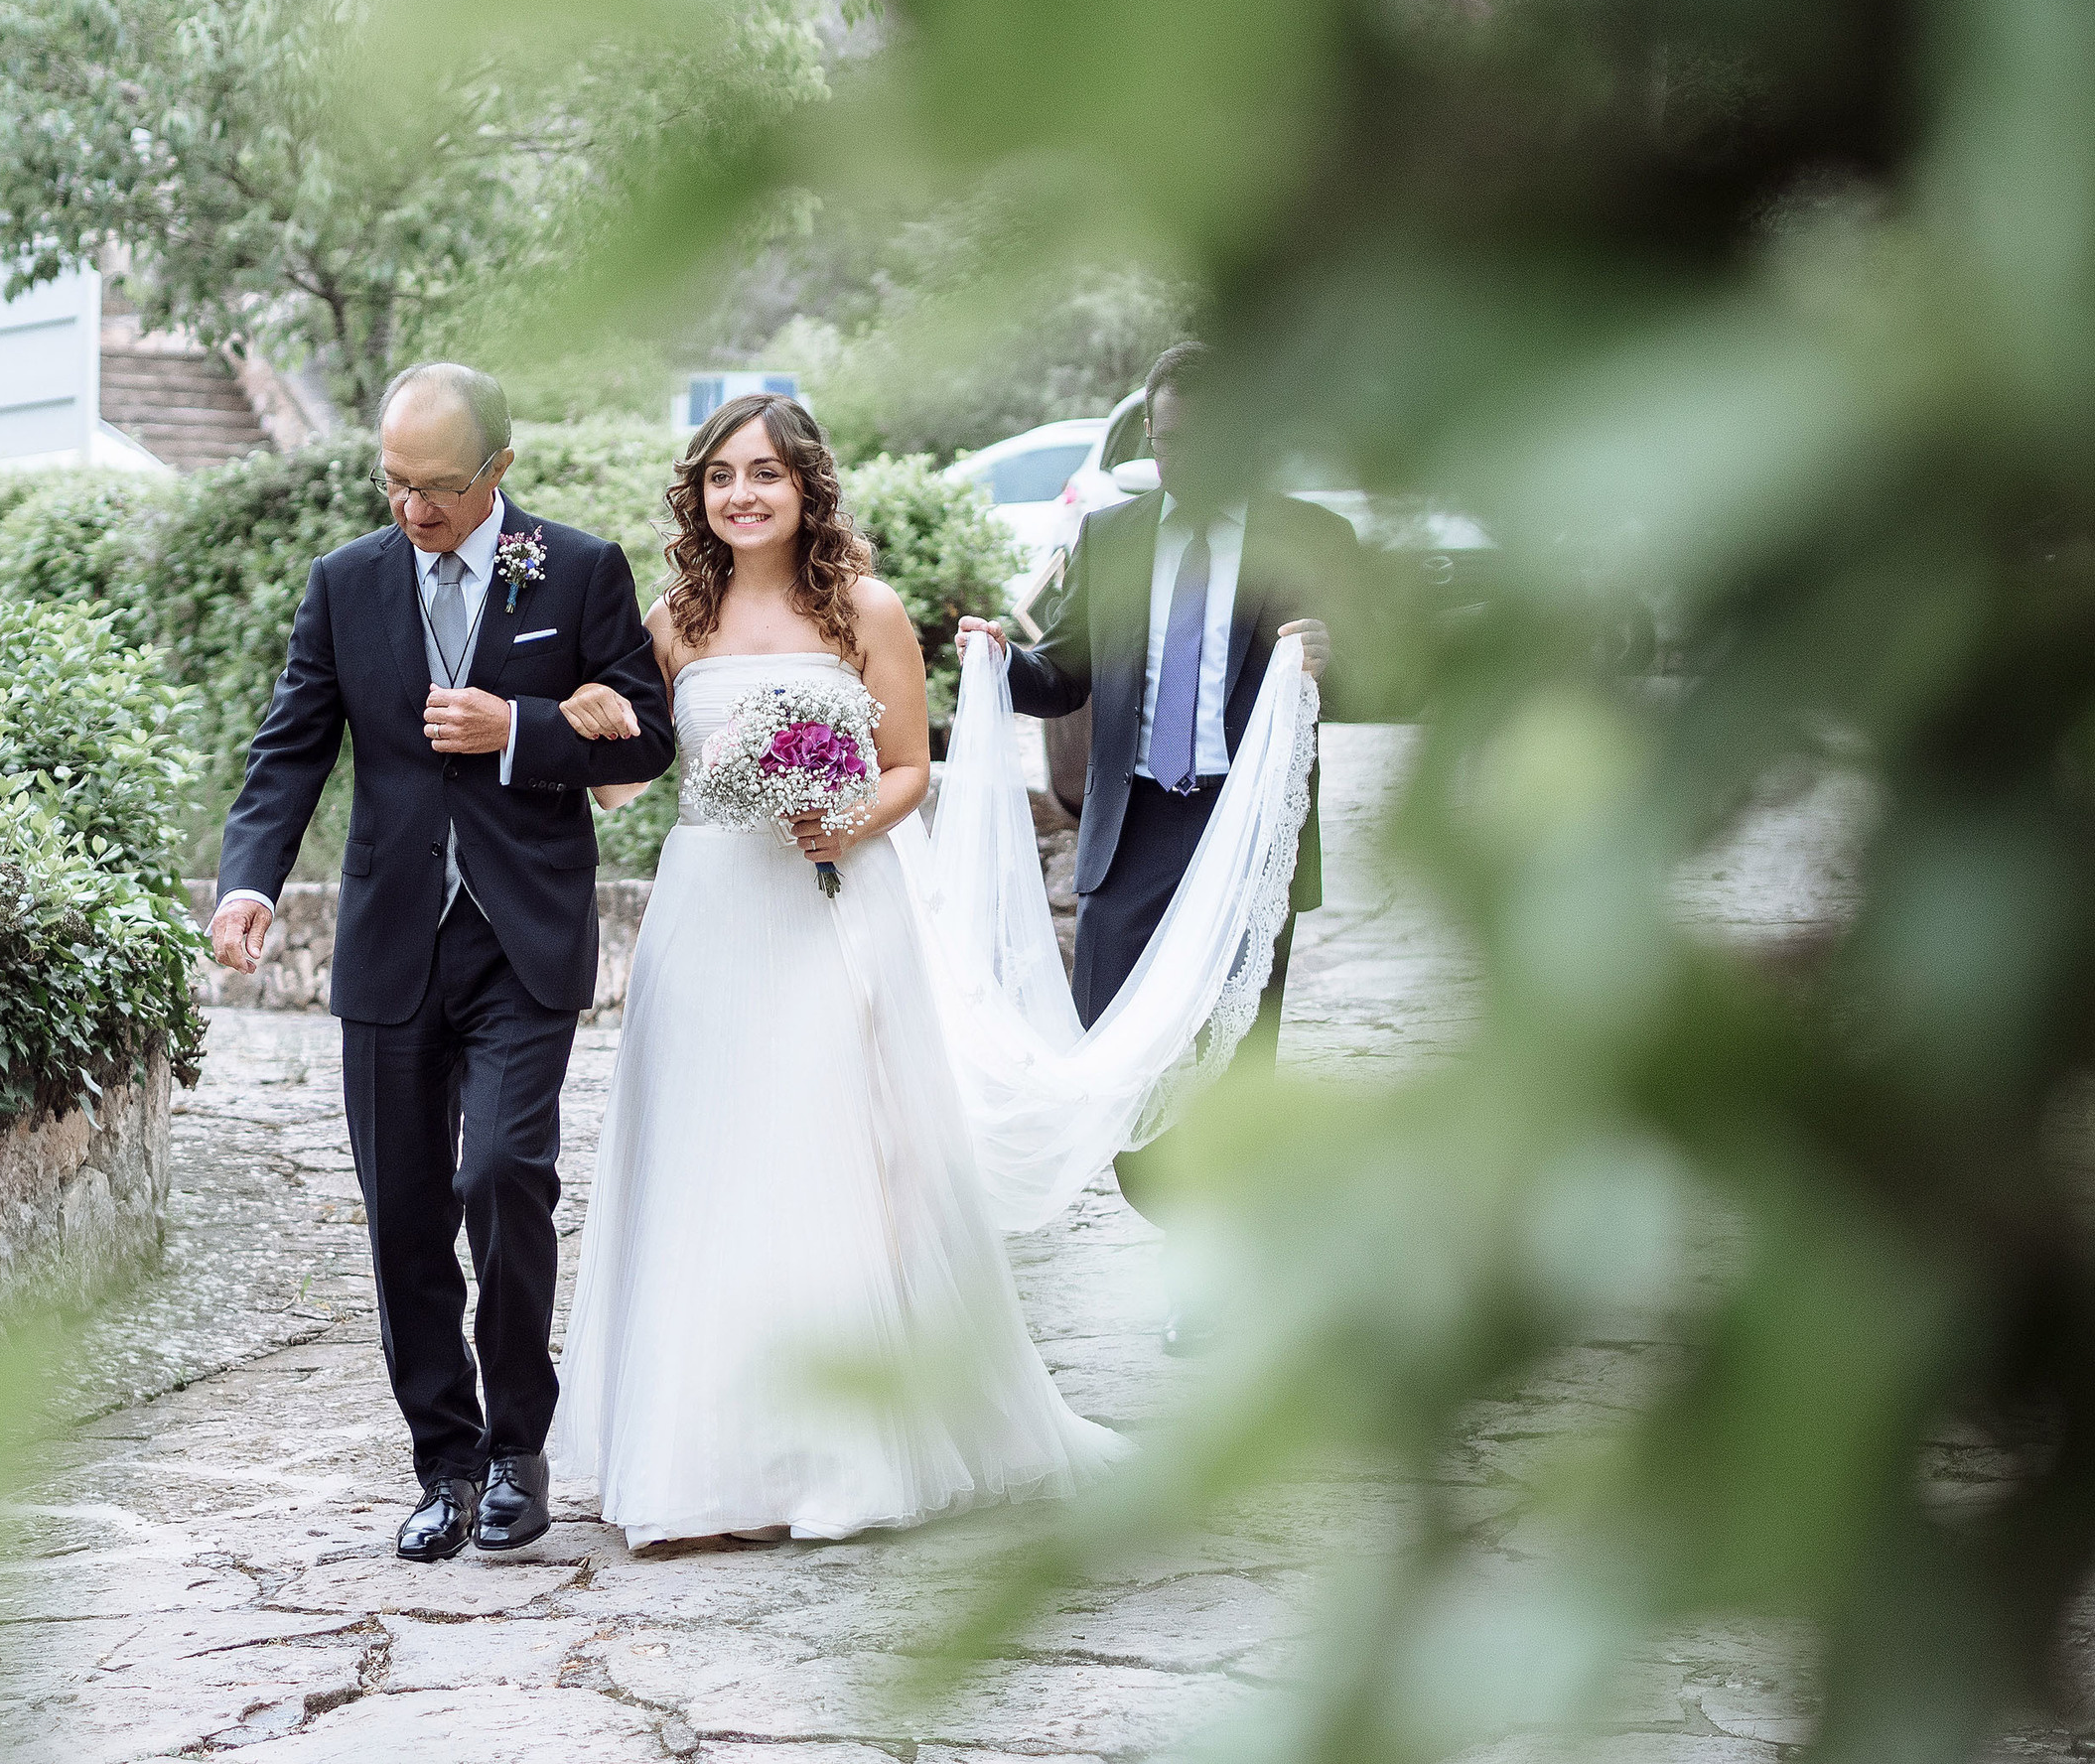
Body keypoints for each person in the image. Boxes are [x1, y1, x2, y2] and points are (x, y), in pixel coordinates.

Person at [547, 392, 1125, 1549]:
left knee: (825, 1156)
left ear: (806, 485)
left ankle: (836, 1453)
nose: (741, 494)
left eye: (764, 473)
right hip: (708, 912)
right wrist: (592, 721)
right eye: (720, 477)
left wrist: (849, 818)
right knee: (704, 1163)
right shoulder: (674, 621)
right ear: (697, 496)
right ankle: (698, 1462)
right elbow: (624, 786)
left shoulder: (865, 609)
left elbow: (912, 763)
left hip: (833, 911)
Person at [209, 362, 675, 1563]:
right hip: (388, 943)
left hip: (523, 934)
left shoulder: (577, 570)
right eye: (394, 483)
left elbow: (649, 729)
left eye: (437, 488)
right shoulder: (345, 584)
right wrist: (249, 882)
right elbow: (291, 748)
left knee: (503, 1175)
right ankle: (447, 1463)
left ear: (499, 473)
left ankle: (520, 1444)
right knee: (405, 1216)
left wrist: (518, 727)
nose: (412, 509)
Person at [956, 341, 1365, 1332]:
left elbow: (1375, 678)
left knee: (1230, 1058)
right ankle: (1181, 1216)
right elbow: (1065, 676)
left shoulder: (1310, 536)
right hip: (1131, 830)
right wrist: (996, 659)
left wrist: (1330, 655)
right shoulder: (1111, 537)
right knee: (1115, 1063)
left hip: (1245, 831)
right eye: (1169, 440)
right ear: (1149, 435)